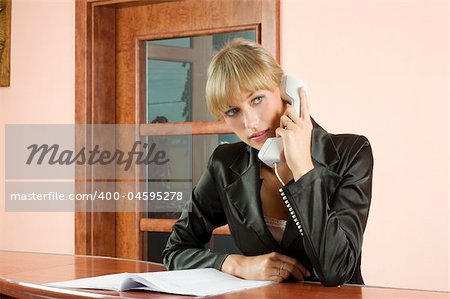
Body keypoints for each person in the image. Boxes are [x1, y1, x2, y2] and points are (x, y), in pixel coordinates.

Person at [162, 39, 373, 287]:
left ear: (286, 91)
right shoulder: (225, 164)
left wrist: (303, 168)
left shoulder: (352, 154)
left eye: (257, 99)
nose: (250, 122)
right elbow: (175, 250)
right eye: (233, 111)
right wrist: (236, 264)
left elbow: (337, 270)